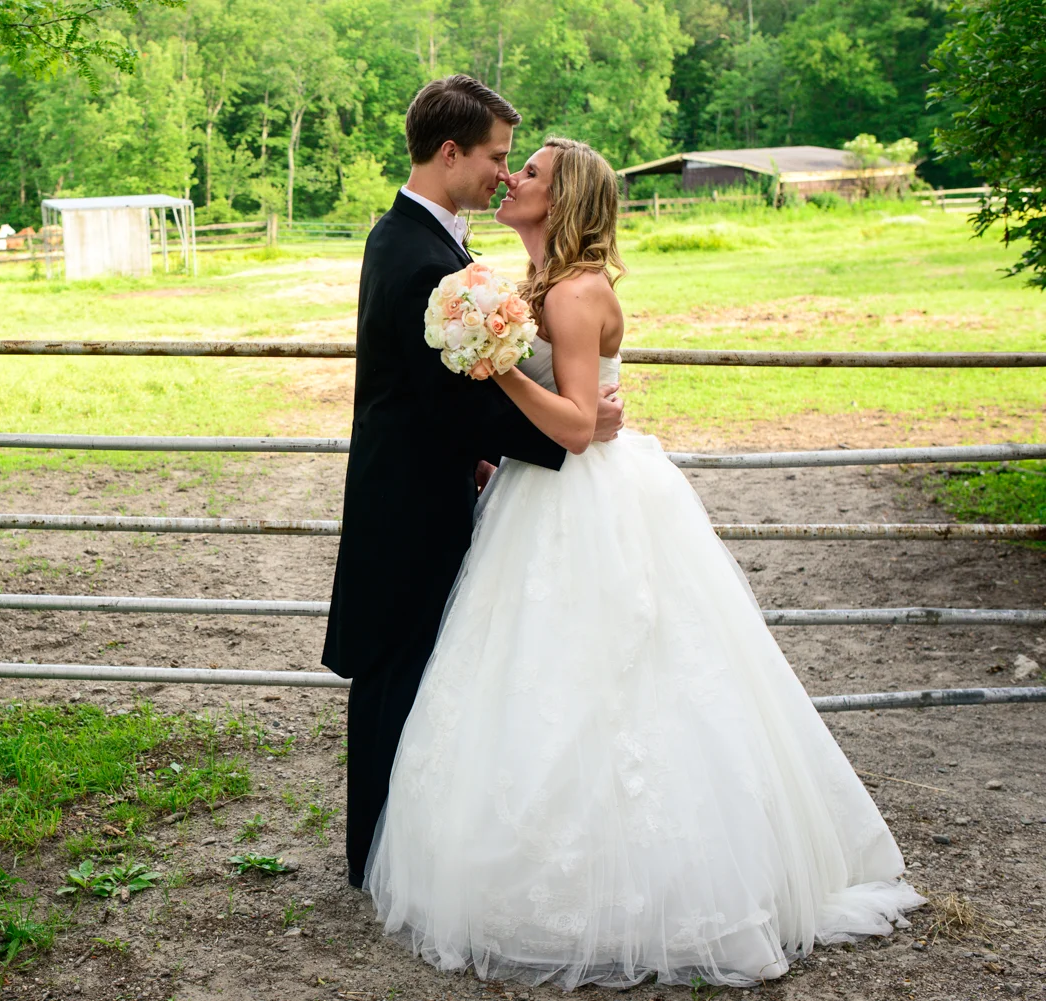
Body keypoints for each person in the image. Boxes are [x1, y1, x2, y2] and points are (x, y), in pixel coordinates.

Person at [363, 136, 925, 989]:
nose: (513, 179)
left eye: (533, 173)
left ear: (565, 201)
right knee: (529, 678)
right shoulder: (534, 287)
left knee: (619, 678)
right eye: (513, 166)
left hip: (585, 501)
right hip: (532, 499)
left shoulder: (578, 292)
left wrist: (501, 364)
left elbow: (580, 424)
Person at [321, 76, 624, 890]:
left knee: (433, 674)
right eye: (496, 157)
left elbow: (464, 386)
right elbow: (447, 393)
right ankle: (379, 860)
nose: (502, 173)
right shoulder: (419, 253)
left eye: (515, 164)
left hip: (435, 487)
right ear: (449, 152)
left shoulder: (427, 241)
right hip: (410, 503)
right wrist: (574, 426)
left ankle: (398, 854)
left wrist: (518, 435)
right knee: (398, 674)